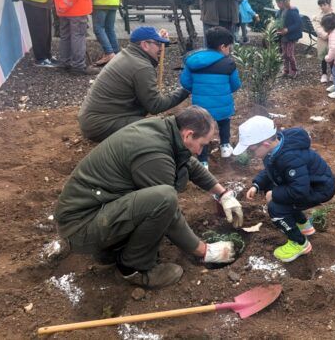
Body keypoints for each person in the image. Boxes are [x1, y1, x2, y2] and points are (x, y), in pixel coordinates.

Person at [55, 106, 244, 288]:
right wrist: (205, 251)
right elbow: (167, 210)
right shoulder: (154, 155)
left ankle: (112, 249)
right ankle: (132, 268)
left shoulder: (165, 130)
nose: (201, 151)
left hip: (97, 210)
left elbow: (189, 163)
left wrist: (223, 194)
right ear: (188, 134)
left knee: (161, 199)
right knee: (164, 198)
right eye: (202, 144)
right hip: (81, 226)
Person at [237, 116, 335, 262]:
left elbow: (299, 191)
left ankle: (299, 243)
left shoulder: (289, 157)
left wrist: (274, 194)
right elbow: (270, 171)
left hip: (319, 189)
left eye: (251, 150)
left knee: (276, 208)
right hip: (307, 184)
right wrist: (257, 184)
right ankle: (304, 226)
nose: (251, 154)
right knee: (277, 191)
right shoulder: (275, 149)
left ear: (264, 143)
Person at [78, 27, 189, 142]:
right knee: (160, 128)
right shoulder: (141, 67)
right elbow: (156, 106)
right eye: (158, 44)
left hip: (94, 120)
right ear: (145, 45)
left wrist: (158, 41)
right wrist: (186, 89)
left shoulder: (129, 54)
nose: (160, 48)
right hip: (101, 125)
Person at [180, 27, 241, 162]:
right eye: (229, 47)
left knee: (201, 129)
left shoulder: (193, 61)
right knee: (224, 122)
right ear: (222, 46)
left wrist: (197, 89)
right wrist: (224, 91)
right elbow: (236, 84)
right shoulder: (228, 63)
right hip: (222, 104)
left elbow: (185, 82)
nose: (229, 50)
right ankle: (225, 146)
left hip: (201, 107)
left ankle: (203, 160)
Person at [275, 0, 302, 78]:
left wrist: (288, 29)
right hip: (283, 37)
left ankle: (294, 70)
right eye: (277, 2)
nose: (278, 4)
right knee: (284, 54)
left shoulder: (292, 11)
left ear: (284, 2)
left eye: (279, 2)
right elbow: (278, 22)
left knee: (289, 54)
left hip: (291, 36)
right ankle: (286, 70)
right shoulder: (280, 12)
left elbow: (298, 23)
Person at [313, 0, 334, 84]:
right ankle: (324, 73)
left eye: (324, 5)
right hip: (323, 39)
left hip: (334, 39)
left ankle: (333, 73)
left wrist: (332, 34)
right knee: (323, 56)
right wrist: (325, 35)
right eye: (321, 5)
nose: (322, 7)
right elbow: (317, 27)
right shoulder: (318, 16)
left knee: (333, 56)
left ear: (329, 4)